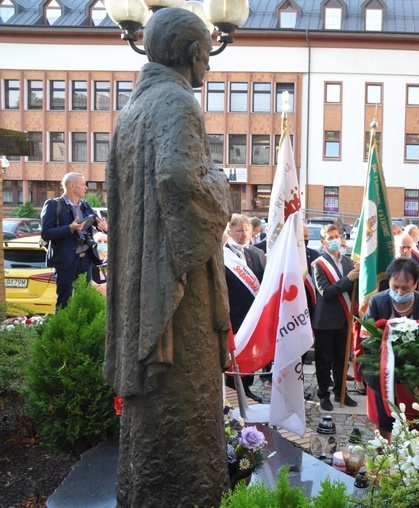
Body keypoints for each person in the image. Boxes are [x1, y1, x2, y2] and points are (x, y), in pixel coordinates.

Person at [102, 8, 232, 507]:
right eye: (205, 52)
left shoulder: (131, 110)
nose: (209, 64)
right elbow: (180, 182)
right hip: (178, 284)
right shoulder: (178, 102)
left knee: (159, 409)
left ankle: (144, 490)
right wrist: (221, 185)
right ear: (191, 52)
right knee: (186, 395)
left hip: (145, 280)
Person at [361, 257, 419, 441]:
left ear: (415, 283)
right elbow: (367, 339)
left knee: (413, 419)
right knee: (383, 419)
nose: (400, 292)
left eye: (405, 288)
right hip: (382, 372)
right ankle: (382, 457)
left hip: (414, 375)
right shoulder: (377, 301)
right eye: (395, 287)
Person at [41, 172, 108, 309]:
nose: (86, 188)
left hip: (86, 260)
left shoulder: (85, 206)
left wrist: (103, 227)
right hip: (66, 261)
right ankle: (63, 330)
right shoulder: (53, 205)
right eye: (83, 184)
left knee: (84, 300)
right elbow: (46, 233)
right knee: (64, 301)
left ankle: (82, 330)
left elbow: (98, 224)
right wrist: (70, 228)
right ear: (72, 186)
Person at [312, 224, 360, 411]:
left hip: (345, 318)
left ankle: (341, 392)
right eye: (330, 237)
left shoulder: (349, 262)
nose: (335, 240)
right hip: (325, 321)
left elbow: (354, 288)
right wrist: (348, 279)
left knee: (341, 360)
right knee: (323, 361)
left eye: (337, 236)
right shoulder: (318, 264)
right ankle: (323, 394)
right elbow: (326, 292)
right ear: (323, 241)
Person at [223, 214, 266, 403]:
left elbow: (263, 283)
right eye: (239, 231)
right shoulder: (223, 255)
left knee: (251, 352)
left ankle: (247, 388)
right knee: (233, 355)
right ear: (230, 231)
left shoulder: (256, 254)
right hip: (234, 315)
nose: (243, 234)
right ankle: (232, 390)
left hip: (253, 314)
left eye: (247, 230)